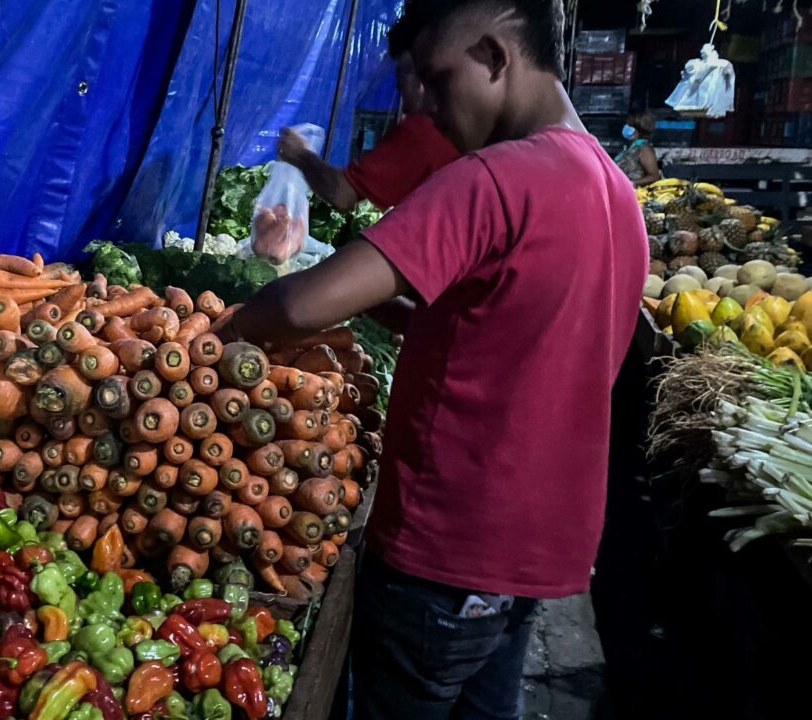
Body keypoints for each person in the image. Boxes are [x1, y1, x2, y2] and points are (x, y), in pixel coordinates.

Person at [214, 0, 647, 717]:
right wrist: (386, 311)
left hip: (445, 548)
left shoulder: (495, 178)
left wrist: (227, 328)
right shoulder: (614, 191)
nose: (430, 111)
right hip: (531, 556)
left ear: (494, 57)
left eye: (439, 81)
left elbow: (298, 306)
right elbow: (520, 341)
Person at [275, 8, 461, 211]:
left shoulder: (423, 130)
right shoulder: (469, 129)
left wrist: (300, 155)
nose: (402, 99)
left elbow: (342, 194)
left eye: (401, 77)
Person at [615, 110, 660, 186]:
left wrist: (631, 183)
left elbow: (654, 176)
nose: (626, 126)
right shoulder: (629, 147)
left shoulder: (644, 149)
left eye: (629, 125)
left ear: (637, 128)